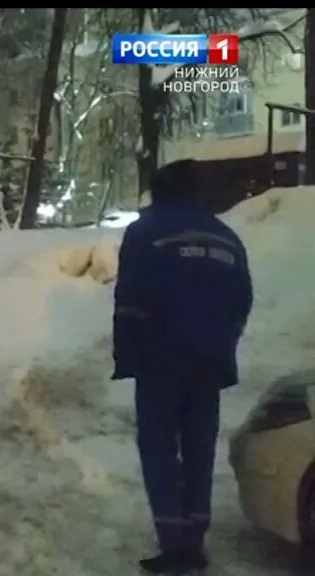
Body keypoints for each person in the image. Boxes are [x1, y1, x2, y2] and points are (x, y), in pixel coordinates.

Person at [112, 159, 253, 575]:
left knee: (159, 448)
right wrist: (223, 341)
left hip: (162, 358)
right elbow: (241, 299)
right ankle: (194, 541)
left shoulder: (146, 232)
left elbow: (130, 299)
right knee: (198, 448)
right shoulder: (227, 237)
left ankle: (174, 547)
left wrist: (127, 355)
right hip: (209, 361)